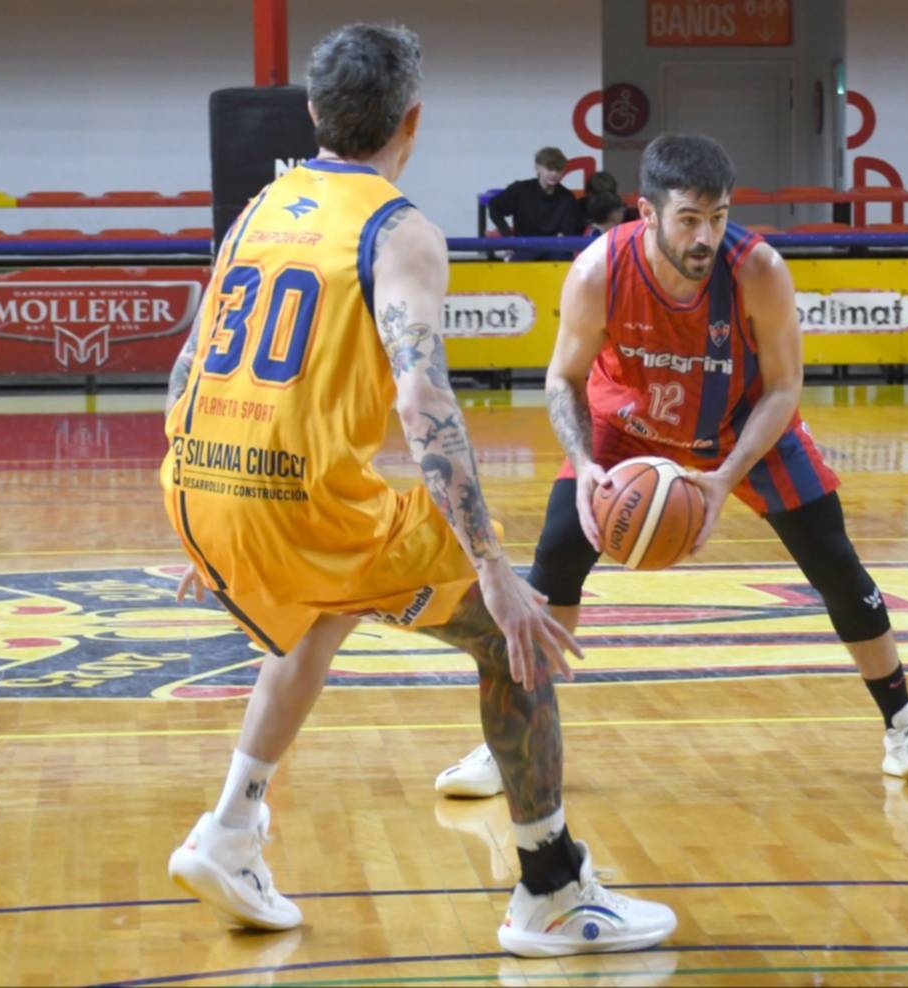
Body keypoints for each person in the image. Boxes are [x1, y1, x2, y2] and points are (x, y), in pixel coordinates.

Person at [159, 23, 674, 958]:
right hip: (301, 500)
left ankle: (230, 831)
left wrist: (204, 515)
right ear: (413, 121)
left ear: (313, 112)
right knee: (513, 640)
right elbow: (424, 402)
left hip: (202, 479)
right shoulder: (401, 232)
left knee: (322, 610)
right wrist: (497, 572)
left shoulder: (259, 209)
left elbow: (190, 362)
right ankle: (552, 889)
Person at [434, 134, 908, 800]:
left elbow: (784, 388)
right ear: (647, 213)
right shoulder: (599, 270)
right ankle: (512, 743)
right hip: (627, 424)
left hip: (742, 420)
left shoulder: (757, 270)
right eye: (688, 219)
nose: (705, 236)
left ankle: (905, 725)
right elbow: (563, 378)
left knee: (834, 562)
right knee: (556, 558)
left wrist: (724, 478)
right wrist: (584, 464)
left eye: (718, 217)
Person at [487, 146, 586, 260]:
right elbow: (494, 207)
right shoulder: (520, 190)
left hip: (555, 252)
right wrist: (508, 237)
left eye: (558, 170)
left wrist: (564, 235)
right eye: (549, 169)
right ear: (537, 168)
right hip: (524, 249)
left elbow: (570, 231)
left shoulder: (567, 198)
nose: (554, 173)